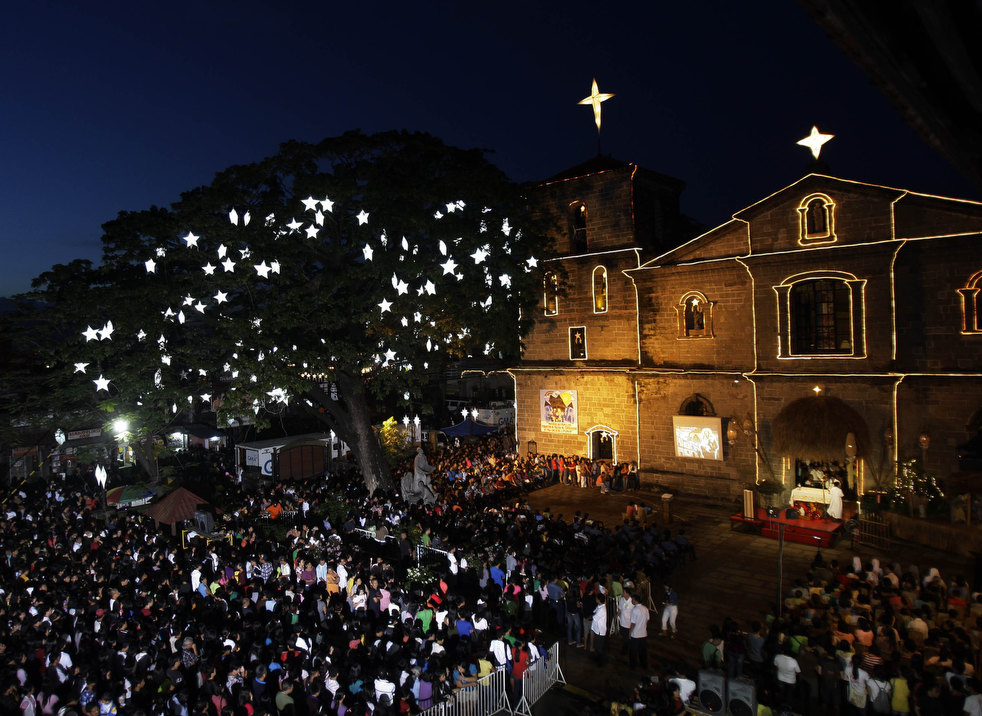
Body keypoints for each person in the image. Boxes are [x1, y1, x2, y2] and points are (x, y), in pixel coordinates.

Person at [628, 593, 649, 670]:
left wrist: (630, 632)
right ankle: (644, 665)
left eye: (632, 600)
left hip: (635, 634)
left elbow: (633, 623)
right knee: (642, 651)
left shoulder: (635, 610)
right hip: (643, 633)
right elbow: (647, 620)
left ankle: (633, 665)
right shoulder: (645, 609)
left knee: (633, 651)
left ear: (635, 600)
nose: (631, 601)